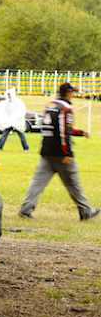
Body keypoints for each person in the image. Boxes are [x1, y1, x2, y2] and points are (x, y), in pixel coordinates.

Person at [19, 83, 100, 221]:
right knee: (74, 184)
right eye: (72, 92)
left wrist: (80, 132)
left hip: (46, 150)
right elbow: (63, 132)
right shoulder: (66, 108)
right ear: (68, 93)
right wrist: (68, 153)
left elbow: (54, 128)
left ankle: (26, 210)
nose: (73, 95)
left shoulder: (50, 105)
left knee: (37, 183)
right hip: (61, 154)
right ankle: (86, 211)